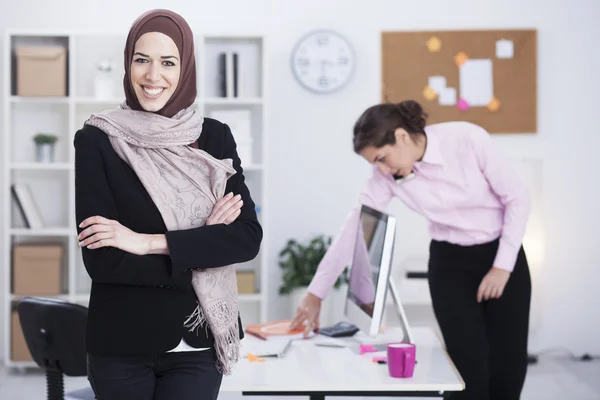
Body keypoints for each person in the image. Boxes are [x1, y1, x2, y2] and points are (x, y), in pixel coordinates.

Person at [74, 9, 262, 400]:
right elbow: (103, 262)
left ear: (186, 67)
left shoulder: (214, 138)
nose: (152, 76)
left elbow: (246, 239)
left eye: (168, 62)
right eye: (141, 60)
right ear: (128, 64)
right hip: (121, 346)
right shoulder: (97, 140)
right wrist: (204, 242)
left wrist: (146, 241)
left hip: (198, 343)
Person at [291, 100, 532, 400]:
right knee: (466, 370)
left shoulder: (467, 139)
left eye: (382, 158)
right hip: (450, 263)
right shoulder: (386, 176)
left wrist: (502, 266)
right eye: (374, 164)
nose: (381, 169)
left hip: (501, 254)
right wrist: (315, 294)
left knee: (508, 366)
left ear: (402, 136)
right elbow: (355, 230)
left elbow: (517, 199)